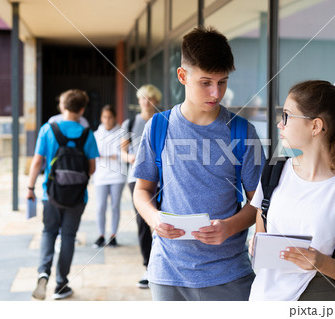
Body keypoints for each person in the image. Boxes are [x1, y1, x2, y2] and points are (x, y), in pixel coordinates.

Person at [132, 27, 265, 301]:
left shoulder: (242, 132)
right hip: (168, 274)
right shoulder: (157, 127)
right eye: (205, 82)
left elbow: (258, 203)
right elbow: (141, 190)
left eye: (223, 82)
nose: (216, 93)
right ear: (182, 76)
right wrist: (154, 218)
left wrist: (229, 227)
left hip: (229, 274)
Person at [248, 80, 335, 301]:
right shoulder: (272, 173)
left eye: (287, 116)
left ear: (315, 126)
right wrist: (256, 246)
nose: (280, 124)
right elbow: (260, 239)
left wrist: (319, 262)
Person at [27, 89, 99, 300]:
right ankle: (61, 284)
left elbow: (37, 162)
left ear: (62, 106)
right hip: (77, 197)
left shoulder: (47, 129)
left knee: (49, 232)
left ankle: (43, 273)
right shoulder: (88, 134)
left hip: (51, 195)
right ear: (82, 109)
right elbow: (92, 168)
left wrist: (30, 188)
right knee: (68, 237)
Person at [121, 84, 162, 289]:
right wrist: (131, 157)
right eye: (143, 98)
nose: (146, 102)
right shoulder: (130, 123)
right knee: (143, 221)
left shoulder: (163, 121)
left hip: (163, 179)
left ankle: (161, 263)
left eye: (150, 98)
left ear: (156, 101)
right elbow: (122, 150)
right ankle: (148, 266)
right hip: (136, 178)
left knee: (163, 219)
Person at [92, 105, 127, 248]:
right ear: (101, 118)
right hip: (100, 177)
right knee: (100, 207)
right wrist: (110, 155)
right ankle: (101, 235)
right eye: (104, 117)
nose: (107, 120)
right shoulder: (96, 134)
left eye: (110, 117)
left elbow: (123, 153)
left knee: (114, 206)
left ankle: (113, 235)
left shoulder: (122, 133)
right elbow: (94, 155)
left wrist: (110, 155)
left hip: (117, 176)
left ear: (114, 118)